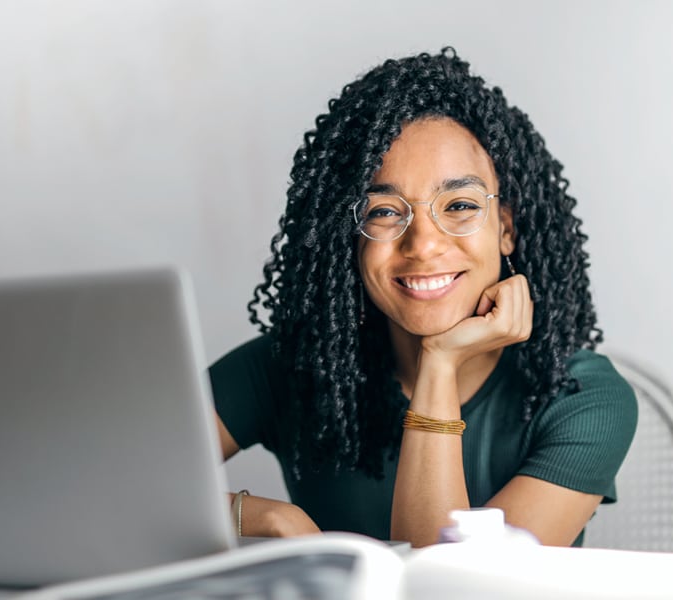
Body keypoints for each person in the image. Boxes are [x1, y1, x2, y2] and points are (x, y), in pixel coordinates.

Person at [209, 47, 637, 548]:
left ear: (506, 228)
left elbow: (451, 586)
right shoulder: (292, 365)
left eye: (458, 205)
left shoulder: (581, 397)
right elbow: (106, 483)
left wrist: (440, 363)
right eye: (384, 212)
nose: (424, 244)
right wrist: (262, 517)